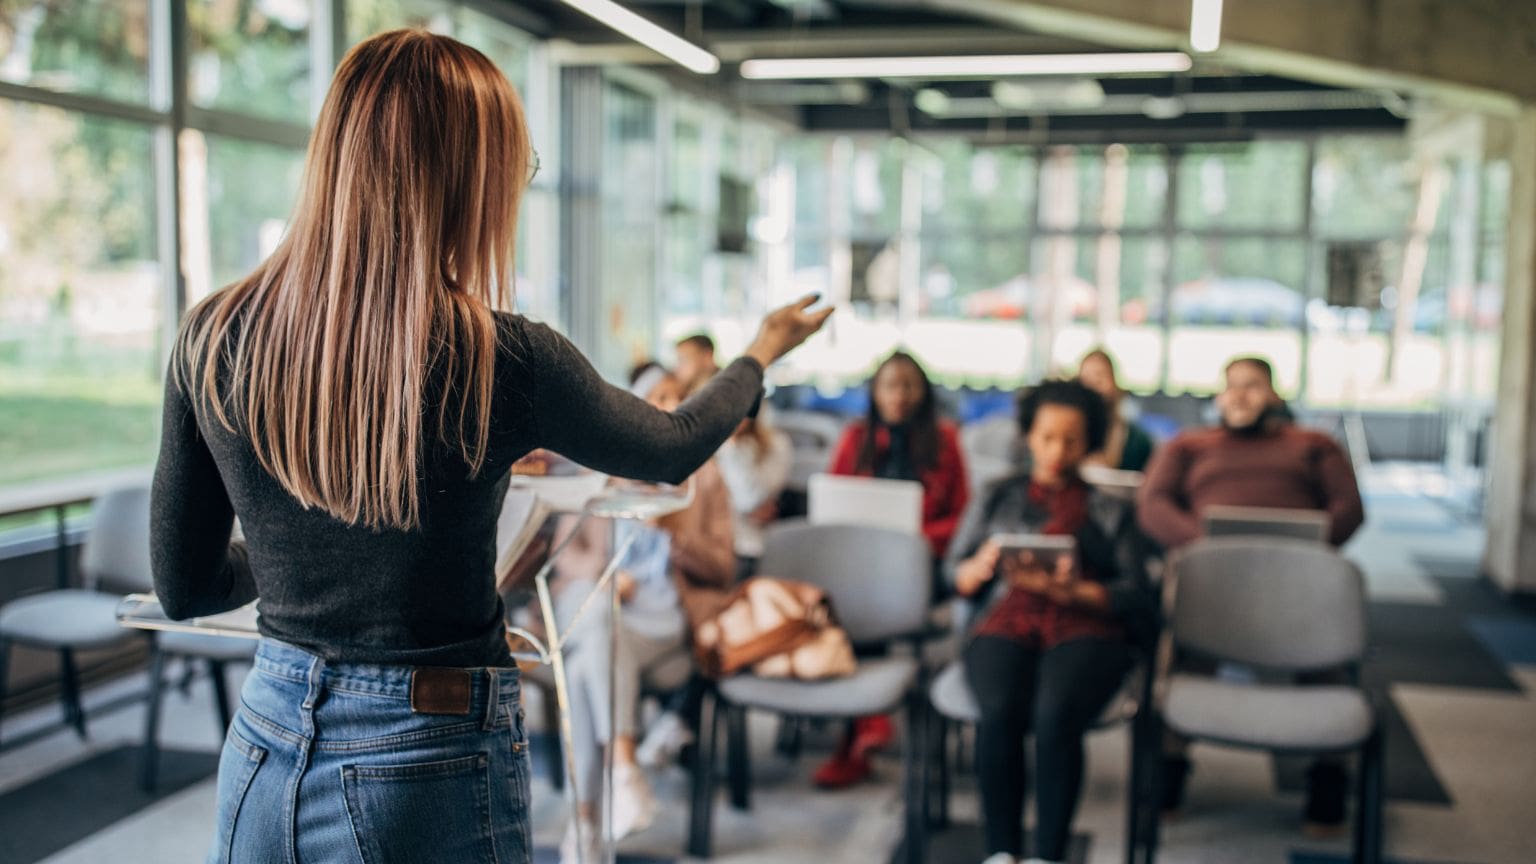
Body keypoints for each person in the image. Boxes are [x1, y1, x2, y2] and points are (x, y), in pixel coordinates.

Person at [148, 30, 829, 864]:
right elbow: (673, 446)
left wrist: (300, 558)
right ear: (466, 178)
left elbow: (185, 587)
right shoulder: (501, 357)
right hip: (423, 752)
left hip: (262, 738)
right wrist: (759, 354)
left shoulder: (211, 335)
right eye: (515, 171)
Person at [1136, 355, 1365, 833]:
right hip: (1212, 579)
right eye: (1231, 386)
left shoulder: (1313, 444)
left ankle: (1329, 774)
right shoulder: (1190, 445)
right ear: (1218, 396)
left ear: (1275, 395)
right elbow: (1152, 504)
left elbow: (1349, 508)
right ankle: (1171, 770)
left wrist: (1310, 549)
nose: (1240, 395)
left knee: (1326, 662)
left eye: (1253, 385)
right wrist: (1201, 548)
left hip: (1297, 581)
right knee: (1186, 656)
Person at [947, 379, 1156, 864]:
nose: (1057, 450)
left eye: (1071, 439)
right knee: (998, 710)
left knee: (1055, 713)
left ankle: (1047, 855)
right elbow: (952, 574)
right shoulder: (997, 496)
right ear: (1028, 436)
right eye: (1046, 437)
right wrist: (975, 568)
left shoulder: (1110, 509)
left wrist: (1074, 591)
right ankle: (1001, 851)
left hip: (1085, 625)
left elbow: (1137, 595)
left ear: (1089, 443)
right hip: (1005, 618)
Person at [551, 365, 737, 864]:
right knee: (596, 626)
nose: (663, 408)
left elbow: (723, 567)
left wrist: (678, 536)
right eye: (654, 396)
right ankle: (623, 770)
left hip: (663, 622)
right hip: (601, 610)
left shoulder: (704, 478)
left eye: (675, 399)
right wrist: (608, 574)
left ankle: (586, 825)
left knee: (586, 665)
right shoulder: (596, 468)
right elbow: (565, 554)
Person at [816, 350, 970, 788]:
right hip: (858, 566)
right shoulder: (855, 439)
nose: (899, 395)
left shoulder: (945, 440)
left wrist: (911, 537)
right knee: (845, 596)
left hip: (923, 564)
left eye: (908, 386)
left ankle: (863, 729)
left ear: (922, 393)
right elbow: (833, 505)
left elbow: (962, 518)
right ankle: (864, 724)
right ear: (875, 392)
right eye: (889, 385)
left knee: (869, 599)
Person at [714, 413, 793, 580]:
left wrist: (730, 447)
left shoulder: (776, 444)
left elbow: (749, 501)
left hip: (747, 545)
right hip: (710, 545)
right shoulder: (704, 444)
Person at [1076, 348, 1155, 472]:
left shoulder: (1137, 442)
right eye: (1086, 379)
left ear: (1114, 383)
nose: (1093, 385)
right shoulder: (1069, 435)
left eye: (1100, 376)